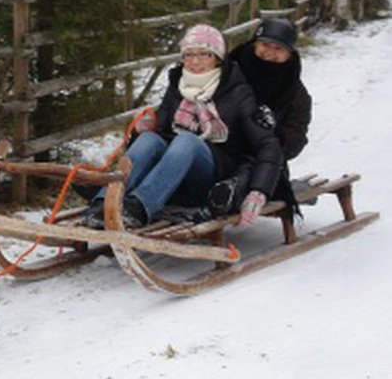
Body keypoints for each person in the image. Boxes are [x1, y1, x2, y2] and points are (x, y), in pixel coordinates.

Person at [81, 23, 283, 229]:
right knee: (149, 139)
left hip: (213, 178)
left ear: (218, 58)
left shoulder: (238, 91)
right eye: (188, 55)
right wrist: (141, 130)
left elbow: (268, 145)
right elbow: (158, 136)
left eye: (204, 54)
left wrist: (259, 191)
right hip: (172, 174)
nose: (195, 62)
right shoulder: (178, 86)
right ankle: (102, 203)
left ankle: (140, 207)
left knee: (187, 140)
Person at [209, 17, 313, 224]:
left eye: (279, 49)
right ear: (254, 43)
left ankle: (232, 194)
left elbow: (295, 143)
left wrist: (275, 129)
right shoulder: (227, 71)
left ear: (289, 54)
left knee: (251, 167)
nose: (270, 53)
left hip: (262, 161)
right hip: (217, 149)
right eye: (265, 45)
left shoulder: (296, 95)